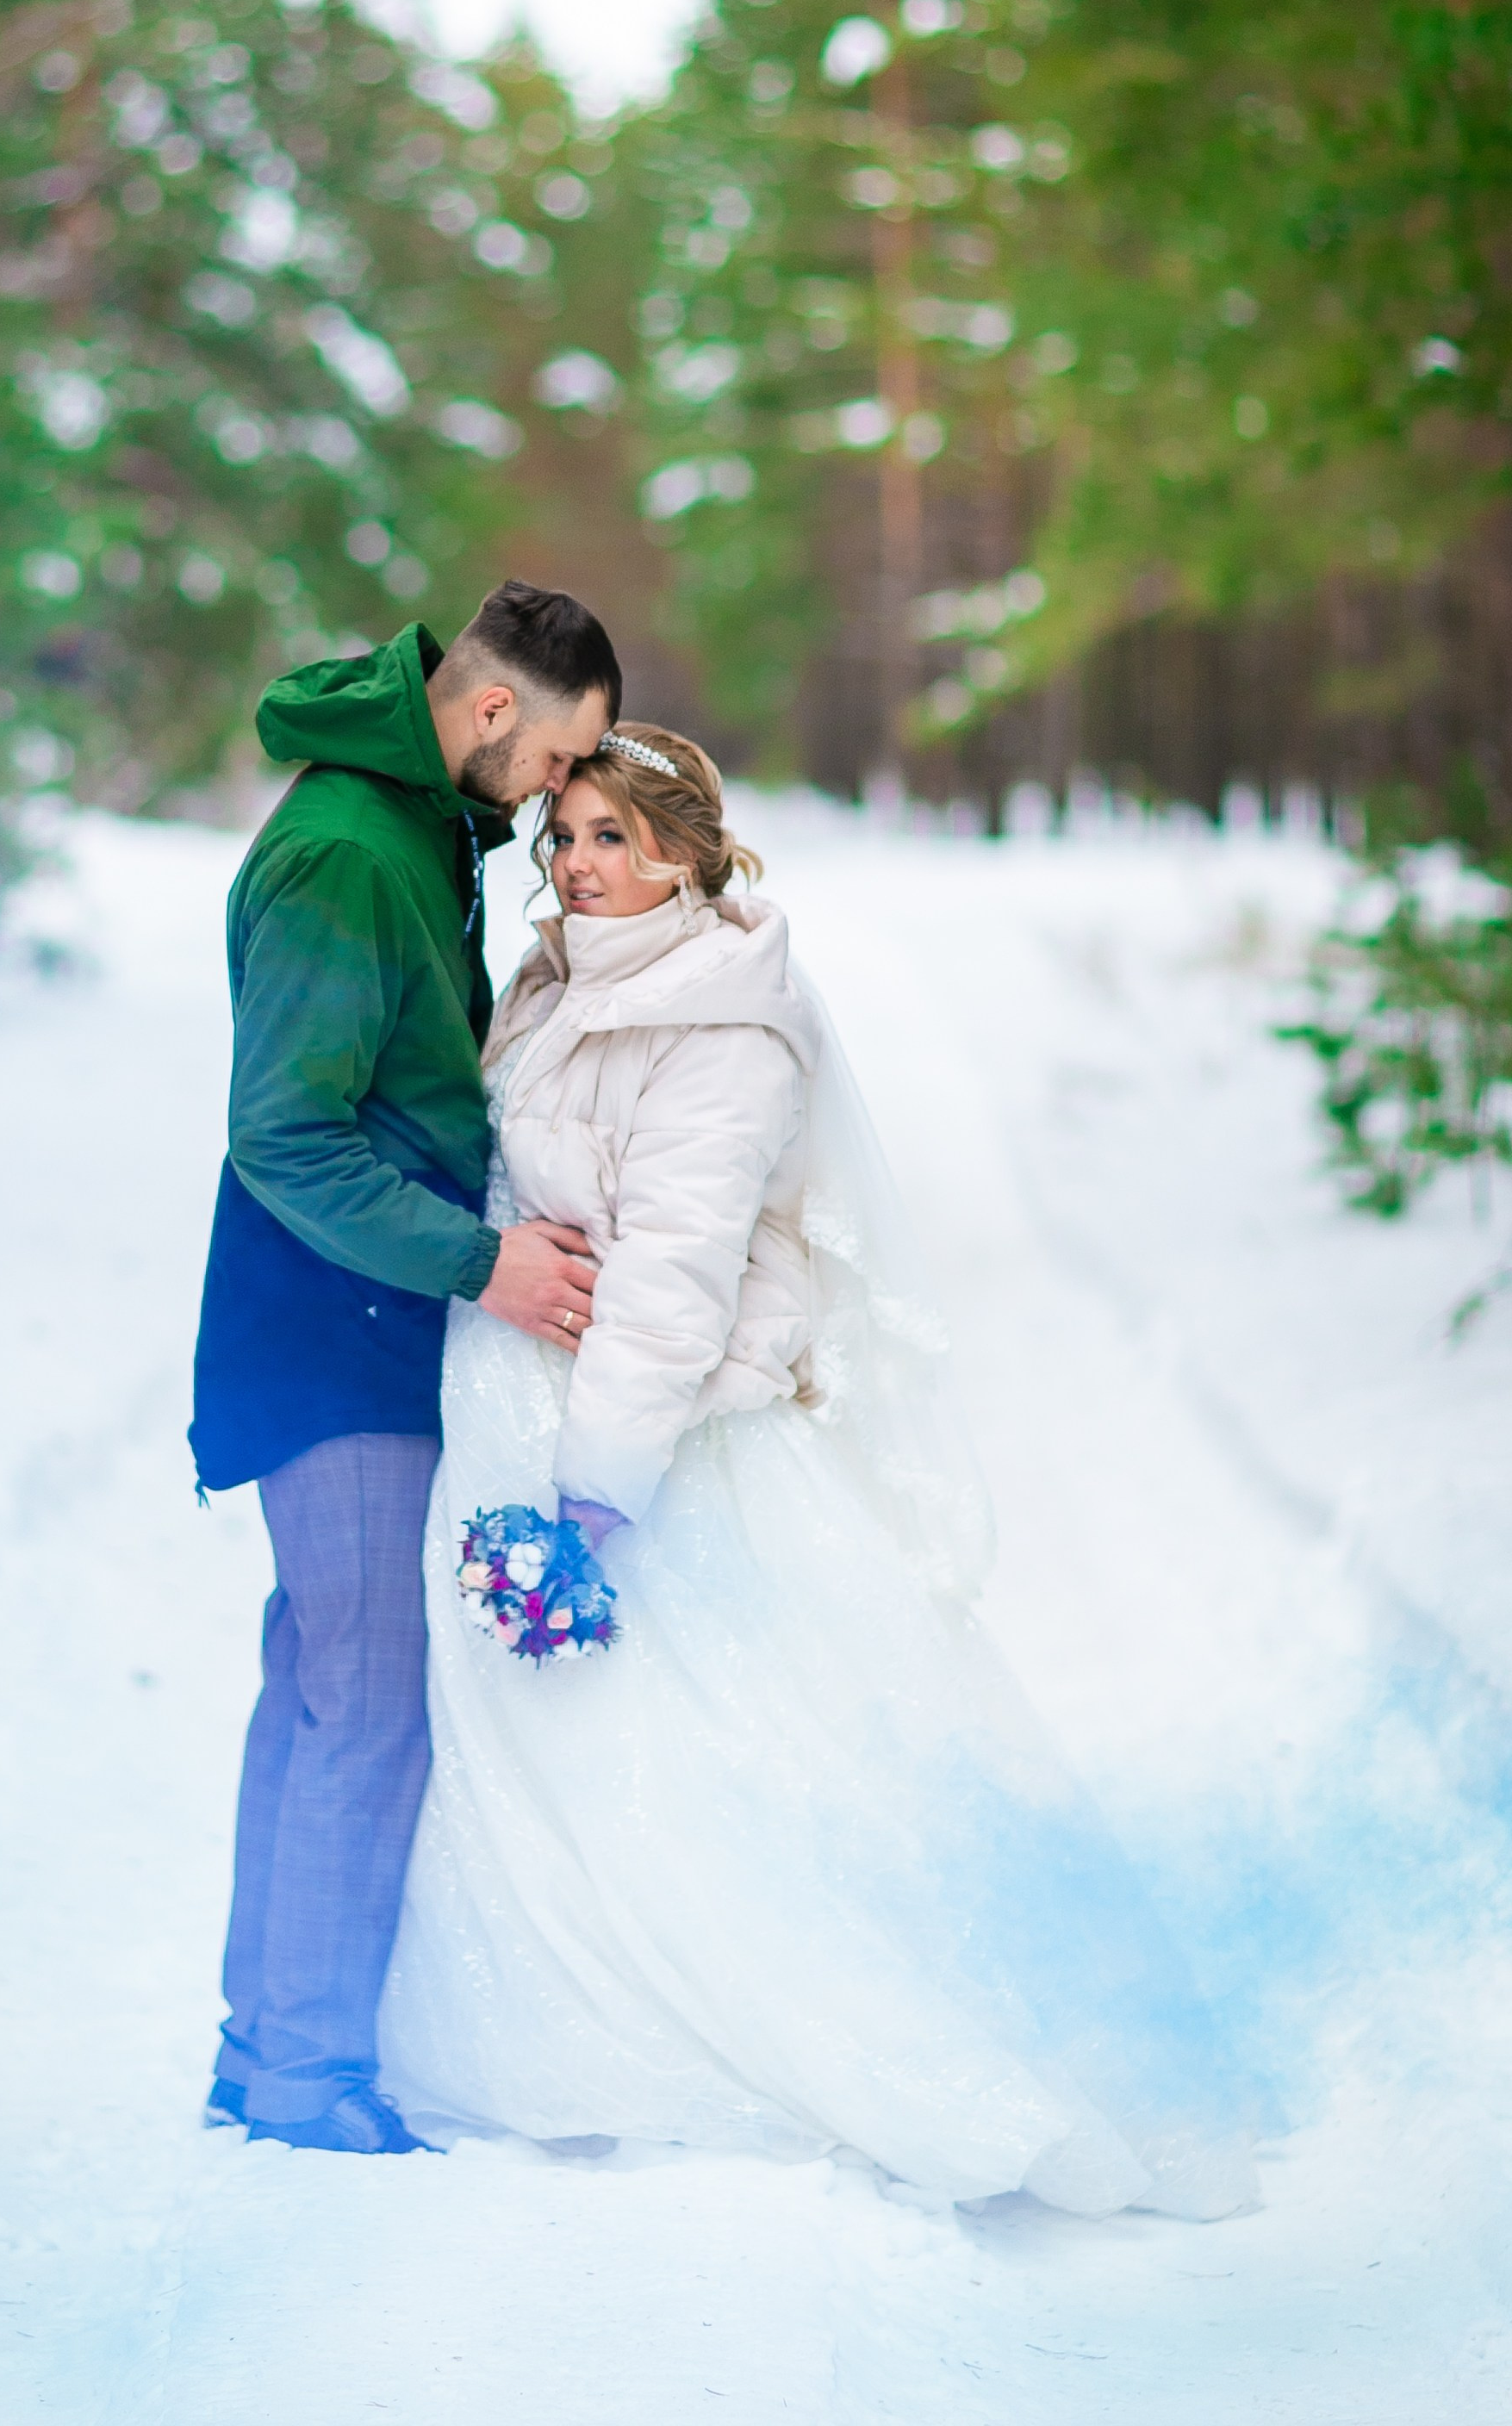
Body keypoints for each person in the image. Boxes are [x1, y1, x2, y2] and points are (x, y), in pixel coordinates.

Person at [377, 723, 1260, 2218]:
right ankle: (566, 2010)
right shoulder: (562, 972)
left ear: (687, 853)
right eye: (570, 835)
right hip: (518, 1393)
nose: (581, 864)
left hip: (638, 1434)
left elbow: (677, 1279)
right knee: (548, 1753)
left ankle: (781, 2032)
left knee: (689, 1738)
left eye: (615, 839)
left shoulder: (719, 1023)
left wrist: (597, 1492)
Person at [190, 582, 618, 2153]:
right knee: (368, 1697)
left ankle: (263, 2050)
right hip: (331, 1320)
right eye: (557, 761)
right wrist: (482, 1261)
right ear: (491, 709)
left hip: (366, 1310)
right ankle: (307, 2077)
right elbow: (285, 1130)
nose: (559, 801)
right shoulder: (344, 852)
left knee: (319, 1677)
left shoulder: (411, 821)